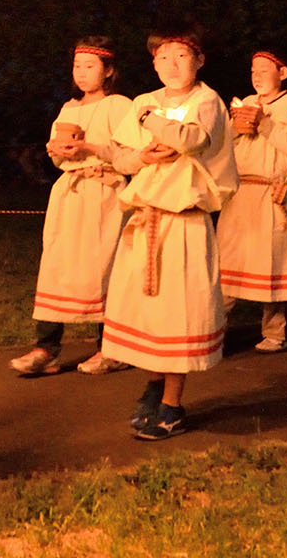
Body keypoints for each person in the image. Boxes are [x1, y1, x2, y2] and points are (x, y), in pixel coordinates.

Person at [101, 27, 237, 439]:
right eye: (163, 57)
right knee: (147, 313)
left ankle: (172, 405)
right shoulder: (146, 101)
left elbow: (191, 138)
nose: (172, 65)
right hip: (145, 220)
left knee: (180, 313)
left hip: (183, 222)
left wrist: (151, 123)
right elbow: (119, 154)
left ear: (199, 61)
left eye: (181, 56)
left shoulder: (205, 100)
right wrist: (142, 153)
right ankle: (154, 383)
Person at [9, 38, 133, 377]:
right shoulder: (68, 108)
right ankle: (46, 347)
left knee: (103, 266)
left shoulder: (120, 105)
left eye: (90, 66)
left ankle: (111, 347)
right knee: (56, 265)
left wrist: (89, 147)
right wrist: (57, 150)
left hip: (104, 192)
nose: (81, 73)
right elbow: (58, 154)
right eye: (77, 66)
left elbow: (132, 152)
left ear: (108, 71)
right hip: (69, 194)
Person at [216, 50, 287, 353]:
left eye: (263, 70)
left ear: (282, 73)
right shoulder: (246, 103)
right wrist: (235, 129)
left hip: (272, 192)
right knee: (225, 261)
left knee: (273, 262)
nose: (256, 76)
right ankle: (214, 330)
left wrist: (264, 124)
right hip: (240, 192)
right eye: (252, 71)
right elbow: (223, 147)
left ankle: (277, 331)